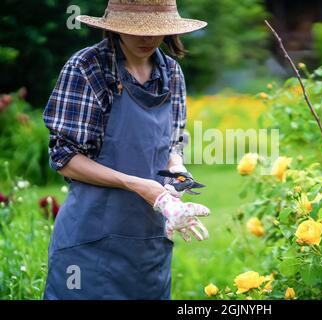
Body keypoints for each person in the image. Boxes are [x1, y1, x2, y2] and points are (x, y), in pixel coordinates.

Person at [42, 0, 210, 300]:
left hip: (149, 242)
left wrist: (176, 171)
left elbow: (173, 143)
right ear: (114, 27)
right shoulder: (87, 68)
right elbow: (65, 158)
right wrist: (136, 184)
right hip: (91, 241)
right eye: (135, 30)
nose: (147, 38)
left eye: (156, 30)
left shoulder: (171, 73)